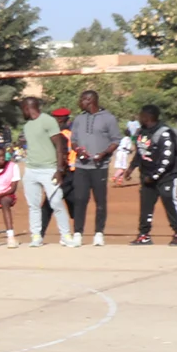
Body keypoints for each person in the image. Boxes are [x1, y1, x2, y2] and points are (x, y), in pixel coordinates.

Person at [119, 104, 177, 246]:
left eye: (141, 114)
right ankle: (144, 235)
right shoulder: (141, 132)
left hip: (168, 175)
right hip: (147, 175)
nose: (139, 117)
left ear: (148, 117)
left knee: (170, 200)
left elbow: (167, 159)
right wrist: (131, 168)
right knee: (146, 204)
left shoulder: (164, 133)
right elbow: (140, 152)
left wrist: (155, 176)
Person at [18, 97, 74, 248]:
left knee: (56, 202)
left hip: (49, 169)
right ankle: (36, 236)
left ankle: (66, 235)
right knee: (33, 205)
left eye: (22, 108)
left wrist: (59, 169)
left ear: (28, 108)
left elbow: (59, 145)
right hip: (30, 169)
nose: (21, 112)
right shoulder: (28, 125)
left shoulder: (48, 121)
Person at [68, 90, 119, 247]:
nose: (80, 102)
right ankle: (77, 233)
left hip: (99, 166)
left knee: (100, 201)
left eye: (82, 99)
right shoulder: (78, 119)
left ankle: (98, 233)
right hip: (81, 166)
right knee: (80, 199)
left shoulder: (108, 118)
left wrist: (103, 153)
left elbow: (116, 140)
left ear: (90, 100)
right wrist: (78, 150)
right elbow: (74, 140)